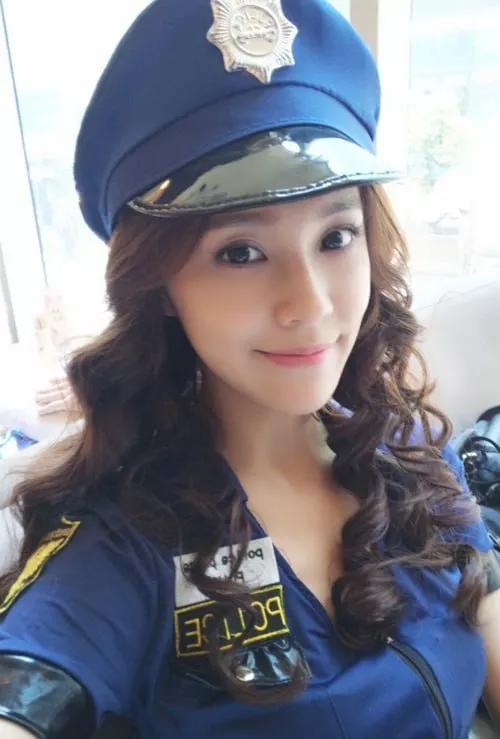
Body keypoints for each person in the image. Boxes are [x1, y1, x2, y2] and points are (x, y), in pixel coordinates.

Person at [0, 0, 499, 737]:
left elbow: (483, 606)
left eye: (336, 236)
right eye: (240, 252)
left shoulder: (412, 454)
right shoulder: (126, 547)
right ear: (159, 285)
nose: (311, 303)